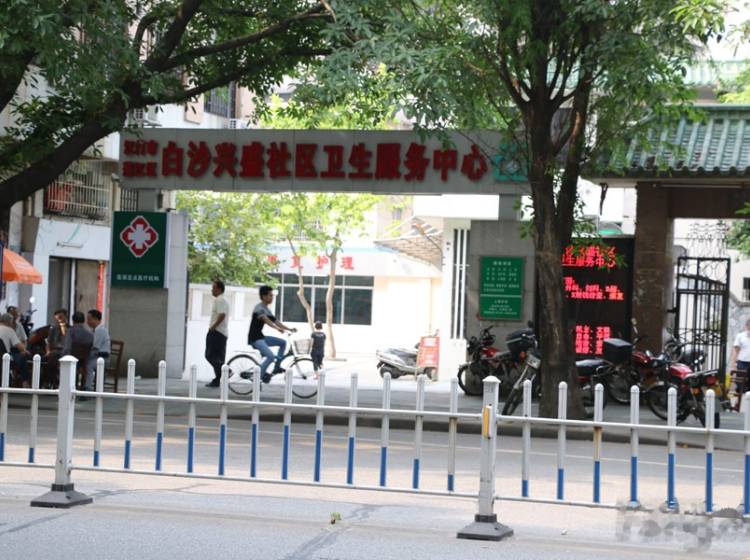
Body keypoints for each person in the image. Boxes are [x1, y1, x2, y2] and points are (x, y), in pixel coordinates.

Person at [248, 285, 295, 383]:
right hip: (255, 338)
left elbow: (276, 321)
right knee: (270, 356)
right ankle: (257, 378)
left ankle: (276, 367)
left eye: (272, 295)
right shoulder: (259, 308)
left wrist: (289, 329)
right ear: (264, 296)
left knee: (283, 342)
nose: (272, 297)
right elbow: (267, 320)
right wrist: (277, 329)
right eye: (270, 295)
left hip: (261, 337)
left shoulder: (266, 309)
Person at [205, 280, 230, 388]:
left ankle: (227, 371)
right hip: (221, 333)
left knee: (209, 355)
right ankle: (217, 380)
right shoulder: (222, 300)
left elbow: (222, 315)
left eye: (214, 287)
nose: (212, 290)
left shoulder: (220, 300)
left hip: (217, 332)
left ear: (219, 289)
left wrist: (213, 327)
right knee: (218, 358)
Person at [0, 313, 29, 385]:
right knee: (22, 358)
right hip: (5, 358)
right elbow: (20, 347)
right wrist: (25, 351)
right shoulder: (9, 330)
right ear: (9, 321)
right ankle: (24, 382)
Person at [86, 309, 111, 391]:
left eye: (89, 319)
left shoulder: (100, 330)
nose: (87, 322)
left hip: (103, 357)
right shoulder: (93, 330)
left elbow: (95, 347)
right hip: (96, 356)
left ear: (96, 319)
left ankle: (88, 388)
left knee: (89, 365)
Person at [44, 309, 68, 386]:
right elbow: (48, 342)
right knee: (51, 359)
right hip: (55, 350)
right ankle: (51, 381)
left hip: (66, 350)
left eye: (60, 317)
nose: (59, 320)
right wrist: (48, 351)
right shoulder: (53, 328)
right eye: (57, 318)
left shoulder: (70, 328)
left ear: (65, 317)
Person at [730, 318, 750, 397]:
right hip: (742, 362)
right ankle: (740, 395)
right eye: (749, 327)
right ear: (746, 326)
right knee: (740, 381)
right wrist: (734, 363)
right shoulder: (740, 336)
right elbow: (735, 350)